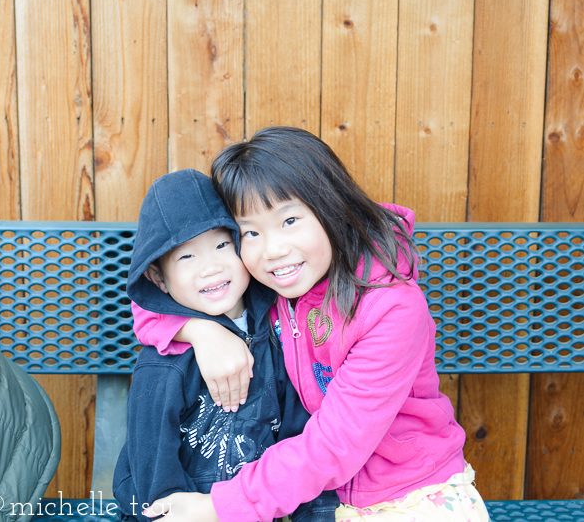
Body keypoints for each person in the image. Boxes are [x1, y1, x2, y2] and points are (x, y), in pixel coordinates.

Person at [135, 129, 489, 522]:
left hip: (409, 494)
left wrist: (220, 506)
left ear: (330, 207)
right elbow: (153, 300)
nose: (273, 249)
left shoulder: (391, 308)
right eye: (250, 231)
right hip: (315, 497)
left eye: (289, 220)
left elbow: (336, 443)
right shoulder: (274, 282)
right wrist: (200, 332)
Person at [113, 167, 338, 522]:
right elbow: (153, 475)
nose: (211, 267)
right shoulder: (164, 366)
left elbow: (301, 433)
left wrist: (320, 513)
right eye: (186, 257)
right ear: (159, 278)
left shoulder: (279, 331)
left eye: (222, 245)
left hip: (260, 508)